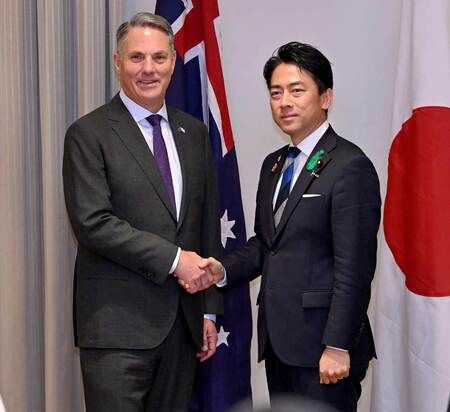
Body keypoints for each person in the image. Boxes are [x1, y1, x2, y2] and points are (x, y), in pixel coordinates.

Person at [182, 42, 381, 411]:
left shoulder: (350, 166)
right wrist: (222, 270)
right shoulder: (274, 165)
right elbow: (266, 244)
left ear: (326, 97)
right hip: (279, 343)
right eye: (276, 93)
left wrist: (338, 345)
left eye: (296, 90)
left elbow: (355, 268)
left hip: (324, 348)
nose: (284, 102)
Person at [63, 12, 222, 412]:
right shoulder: (89, 134)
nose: (148, 69)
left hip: (182, 327)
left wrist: (208, 311)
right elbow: (93, 223)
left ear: (173, 62)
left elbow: (204, 225)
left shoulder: (194, 134)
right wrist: (176, 261)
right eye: (136, 58)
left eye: (158, 57)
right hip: (116, 331)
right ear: (118, 63)